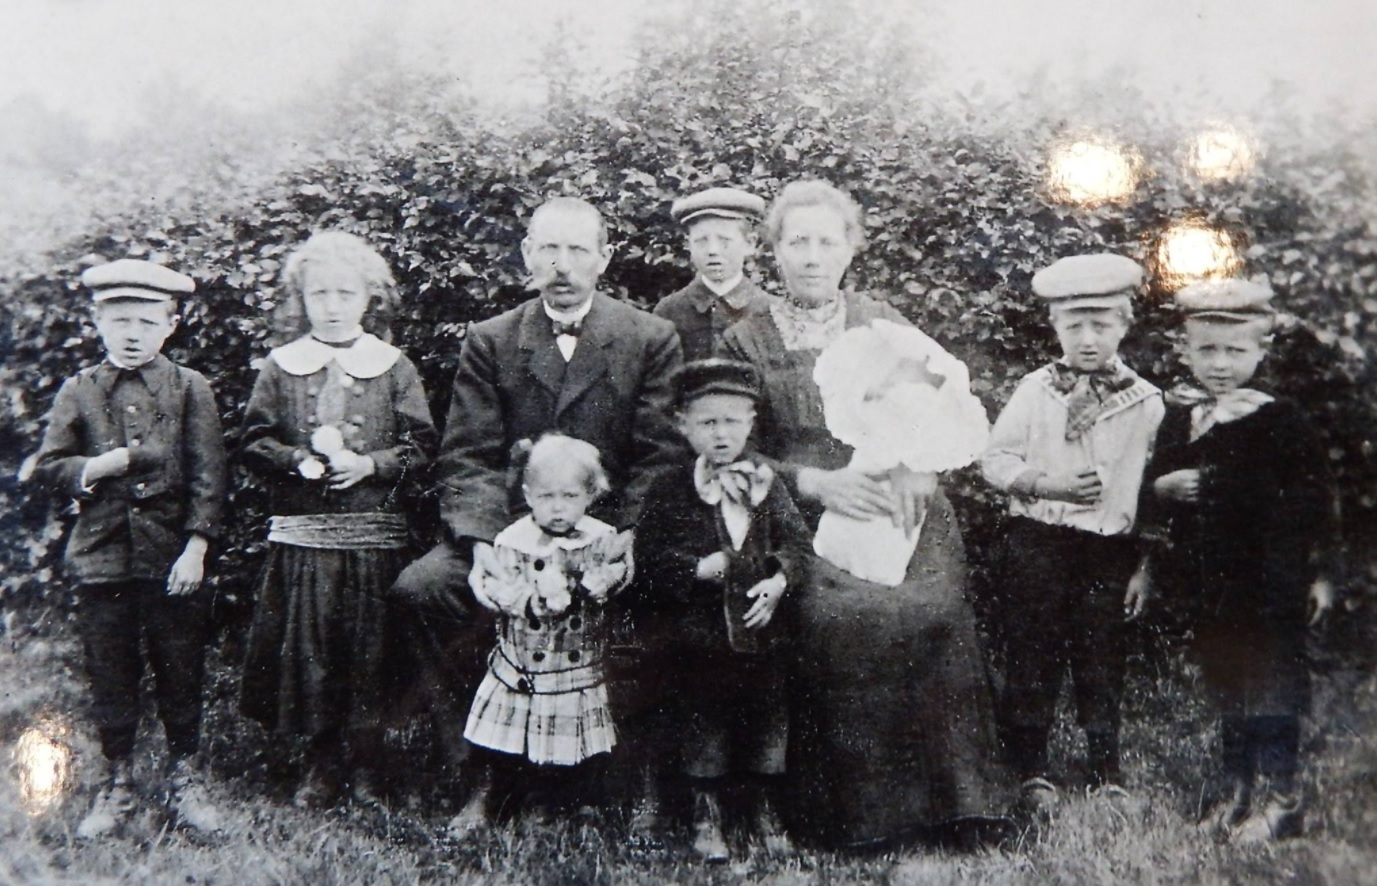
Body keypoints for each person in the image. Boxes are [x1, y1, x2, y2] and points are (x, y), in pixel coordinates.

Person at [718, 180, 1011, 848]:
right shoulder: (745, 340)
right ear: (773, 251)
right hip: (799, 518)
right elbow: (736, 448)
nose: (812, 257)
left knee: (933, 607)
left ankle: (961, 804)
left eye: (827, 242)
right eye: (797, 242)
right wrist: (814, 484)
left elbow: (939, 402)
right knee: (839, 615)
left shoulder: (881, 321)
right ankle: (863, 816)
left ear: (851, 249)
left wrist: (919, 465)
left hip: (897, 496)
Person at [386, 196, 684, 823]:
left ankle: (622, 776)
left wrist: (626, 538)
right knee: (425, 589)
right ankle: (486, 770)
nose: (562, 265)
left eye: (577, 250)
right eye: (549, 248)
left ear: (604, 258)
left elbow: (661, 456)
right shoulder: (492, 340)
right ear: (527, 255)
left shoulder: (649, 338)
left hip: (610, 536)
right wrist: (484, 548)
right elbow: (467, 455)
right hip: (513, 532)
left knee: (667, 596)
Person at [239, 231, 438, 809]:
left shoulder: (393, 367)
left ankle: (370, 764)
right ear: (301, 298)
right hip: (308, 542)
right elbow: (253, 441)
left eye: (344, 293)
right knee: (315, 650)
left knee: (370, 652)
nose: (331, 305)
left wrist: (371, 465)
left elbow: (423, 446)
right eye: (318, 293)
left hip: (372, 539)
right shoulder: (281, 367)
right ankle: (323, 762)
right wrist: (296, 461)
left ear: (368, 298)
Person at [1134, 278, 1336, 842]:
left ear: (1260, 350)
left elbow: (1315, 499)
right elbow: (1154, 488)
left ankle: (1283, 798)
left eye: (1234, 351)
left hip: (1272, 579)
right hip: (1210, 580)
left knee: (1271, 683)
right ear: (1185, 351)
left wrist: (1320, 573)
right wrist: (1164, 488)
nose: (1220, 364)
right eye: (1207, 350)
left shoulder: (1279, 418)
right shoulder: (1184, 417)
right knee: (1227, 683)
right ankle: (1238, 792)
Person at [31, 259, 227, 838]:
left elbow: (210, 476)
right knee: (110, 670)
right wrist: (99, 466)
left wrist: (196, 549)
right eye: (120, 321)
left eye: (146, 321)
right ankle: (117, 782)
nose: (133, 333)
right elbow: (49, 467)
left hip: (171, 557)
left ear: (171, 325)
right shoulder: (80, 389)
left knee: (180, 667)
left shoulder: (190, 388)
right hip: (102, 556)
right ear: (98, 322)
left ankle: (184, 777)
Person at [979, 254, 1164, 810]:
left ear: (1124, 325)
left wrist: (1144, 567)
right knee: (1032, 651)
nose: (1088, 339)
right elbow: (994, 459)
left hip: (1108, 550)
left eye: (1101, 325)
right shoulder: (1037, 390)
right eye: (1074, 326)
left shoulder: (1145, 401)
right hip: (1039, 541)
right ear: (1055, 325)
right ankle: (1031, 768)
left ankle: (1105, 767)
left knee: (1101, 654)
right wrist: (1046, 484)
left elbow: (1154, 492)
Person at [634, 359, 810, 862]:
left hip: (762, 630)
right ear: (684, 425)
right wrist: (696, 569)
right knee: (704, 716)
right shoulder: (670, 489)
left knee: (769, 716)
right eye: (707, 422)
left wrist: (779, 581)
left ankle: (762, 808)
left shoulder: (767, 484)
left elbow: (799, 545)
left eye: (732, 421)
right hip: (700, 632)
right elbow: (649, 560)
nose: (720, 434)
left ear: (751, 423)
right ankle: (705, 811)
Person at [453, 434, 634, 832]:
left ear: (590, 496)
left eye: (569, 497)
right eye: (546, 496)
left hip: (574, 661)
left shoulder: (600, 538)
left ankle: (558, 799)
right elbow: (499, 588)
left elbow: (617, 570)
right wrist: (531, 602)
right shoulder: (513, 542)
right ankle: (505, 790)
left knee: (568, 734)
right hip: (525, 661)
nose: (557, 508)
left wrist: (601, 582)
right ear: (528, 496)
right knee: (511, 734)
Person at [653, 187, 773, 361]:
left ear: (749, 244)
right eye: (701, 241)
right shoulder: (668, 312)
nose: (712, 251)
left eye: (724, 241)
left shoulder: (773, 312)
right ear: (689, 245)